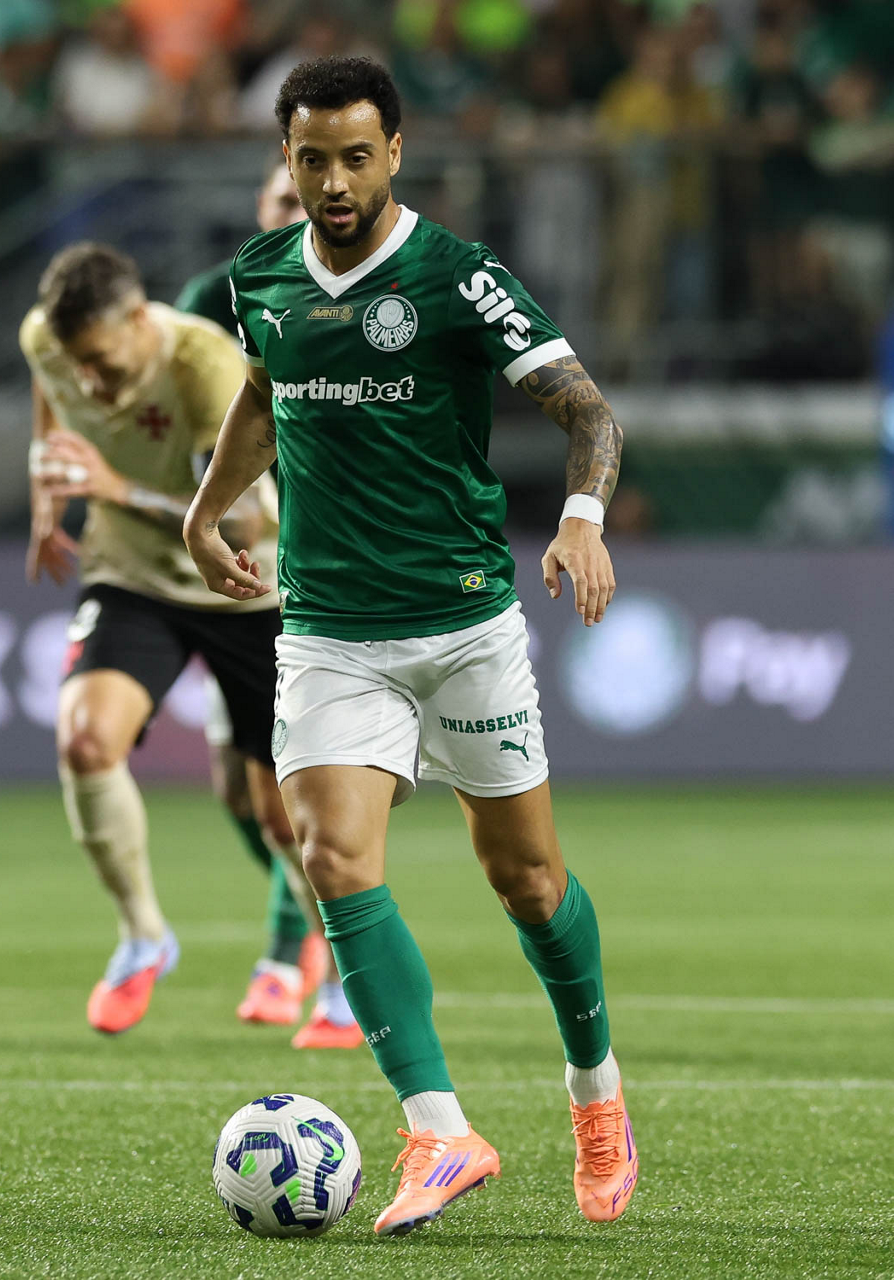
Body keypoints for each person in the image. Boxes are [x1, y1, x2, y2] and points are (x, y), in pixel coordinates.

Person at [183, 55, 637, 1236]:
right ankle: (439, 1129)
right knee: (334, 857)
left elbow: (588, 412)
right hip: (328, 631)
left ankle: (595, 1091)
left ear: (394, 152)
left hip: (462, 626)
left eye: (354, 156)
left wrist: (579, 519)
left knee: (526, 881)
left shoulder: (456, 277)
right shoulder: (258, 276)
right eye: (311, 159)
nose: (333, 181)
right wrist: (205, 508)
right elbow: (263, 393)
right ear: (285, 161)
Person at [20, 241, 360, 1048]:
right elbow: (52, 397)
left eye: (104, 363)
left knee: (282, 815)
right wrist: (47, 500)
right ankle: (144, 936)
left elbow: (241, 517)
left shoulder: (203, 365)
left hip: (248, 586)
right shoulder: (47, 338)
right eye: (79, 365)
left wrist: (114, 487)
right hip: (133, 577)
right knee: (85, 740)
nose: (90, 383)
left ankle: (347, 979)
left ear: (141, 320)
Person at [175, 158, 329, 1030]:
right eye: (281, 199)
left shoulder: (356, 294)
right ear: (260, 207)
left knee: (281, 785)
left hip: (307, 564)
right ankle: (301, 933)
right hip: (235, 551)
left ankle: (293, 949)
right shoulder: (217, 296)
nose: (296, 211)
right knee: (239, 791)